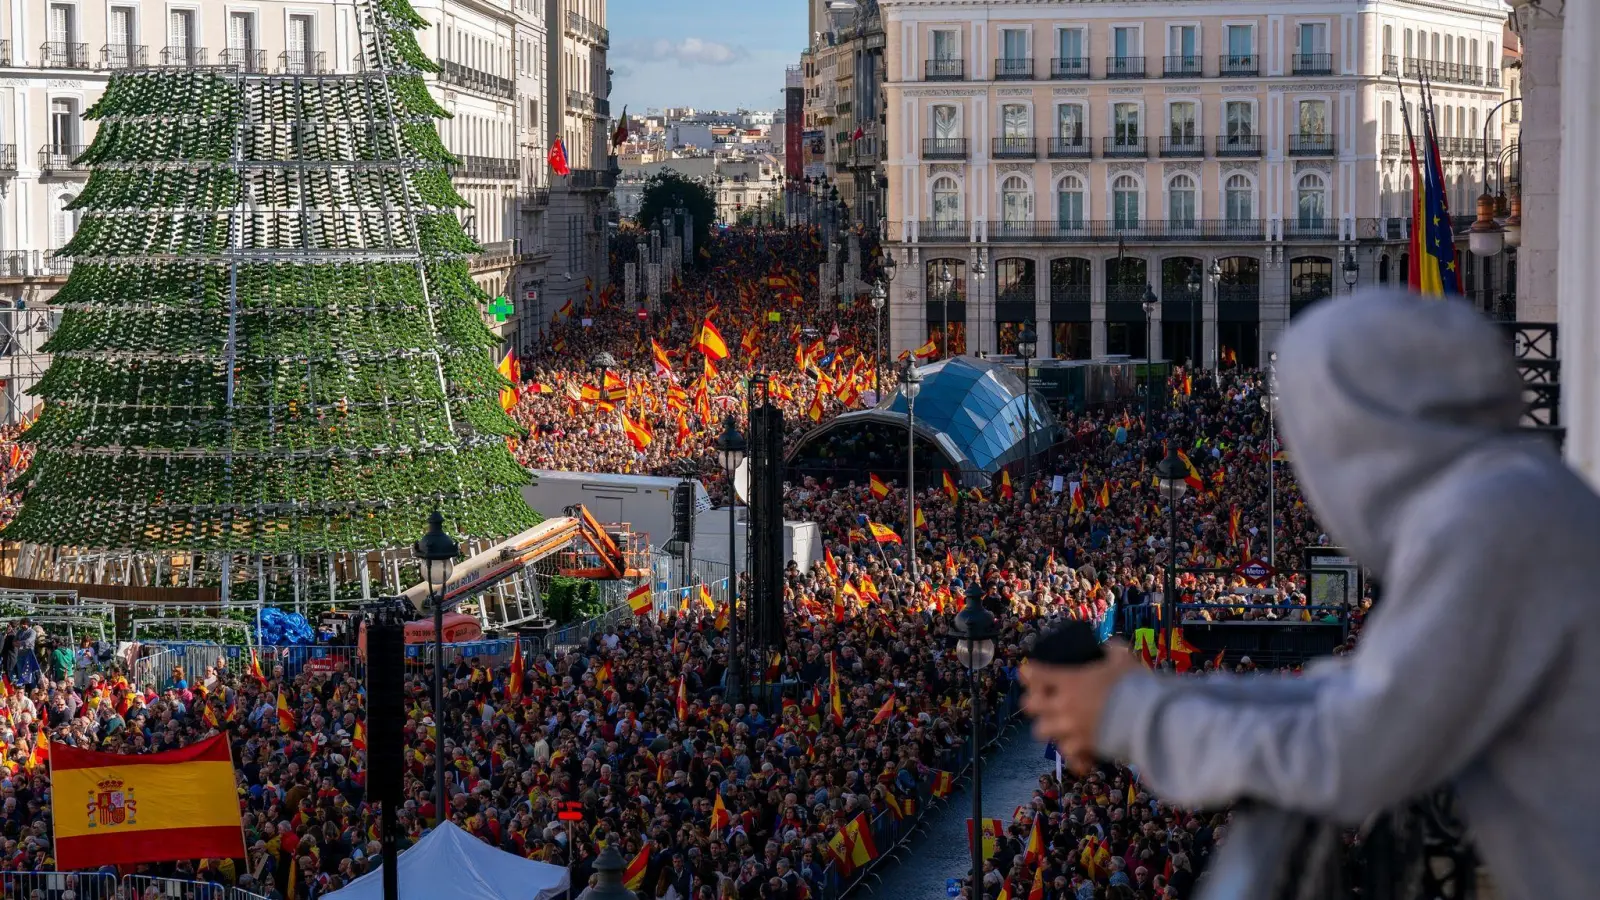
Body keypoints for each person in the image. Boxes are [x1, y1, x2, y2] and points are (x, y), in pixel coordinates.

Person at [1018, 290, 1600, 900]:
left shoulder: (1488, 522)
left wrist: (1131, 716)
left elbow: (1354, 746)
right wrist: (1151, 696)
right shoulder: (1520, 496)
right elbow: (1364, 694)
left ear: (1348, 430)